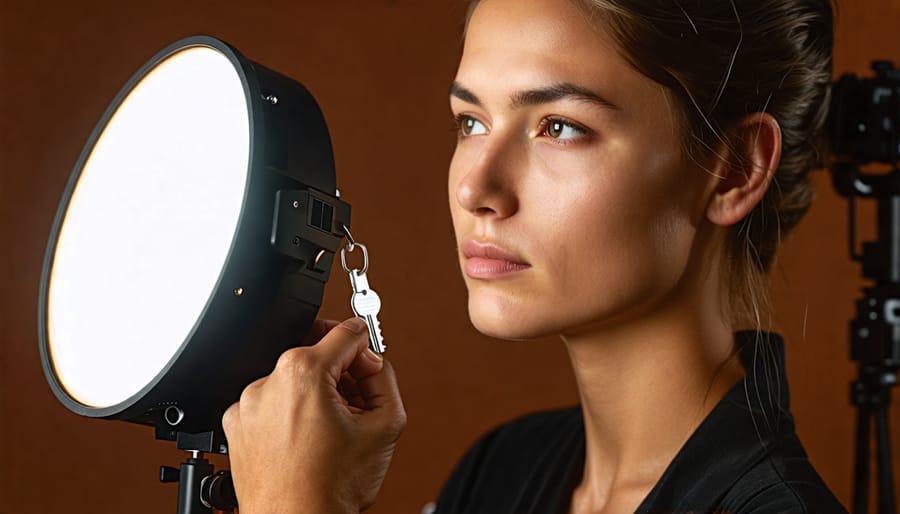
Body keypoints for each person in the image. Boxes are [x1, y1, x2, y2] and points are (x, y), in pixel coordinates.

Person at [221, 0, 848, 512]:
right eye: (470, 122)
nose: (475, 190)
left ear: (734, 169)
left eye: (559, 127)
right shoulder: (498, 473)